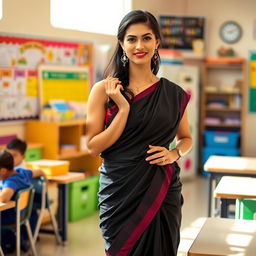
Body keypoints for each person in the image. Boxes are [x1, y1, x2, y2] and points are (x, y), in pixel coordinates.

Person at [85, 10, 192, 256]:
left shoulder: (174, 94)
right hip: (119, 191)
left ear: (157, 43)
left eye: (146, 38)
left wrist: (175, 153)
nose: (139, 45)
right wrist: (122, 108)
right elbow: (93, 147)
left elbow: (186, 138)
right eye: (132, 39)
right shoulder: (104, 90)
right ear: (122, 44)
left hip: (162, 189)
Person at [0, 150, 46, 253]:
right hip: (22, 213)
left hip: (10, 216)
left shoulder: (11, 181)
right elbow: (40, 171)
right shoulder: (22, 172)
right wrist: (45, 182)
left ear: (3, 171)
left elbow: (3, 198)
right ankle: (14, 242)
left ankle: (4, 247)